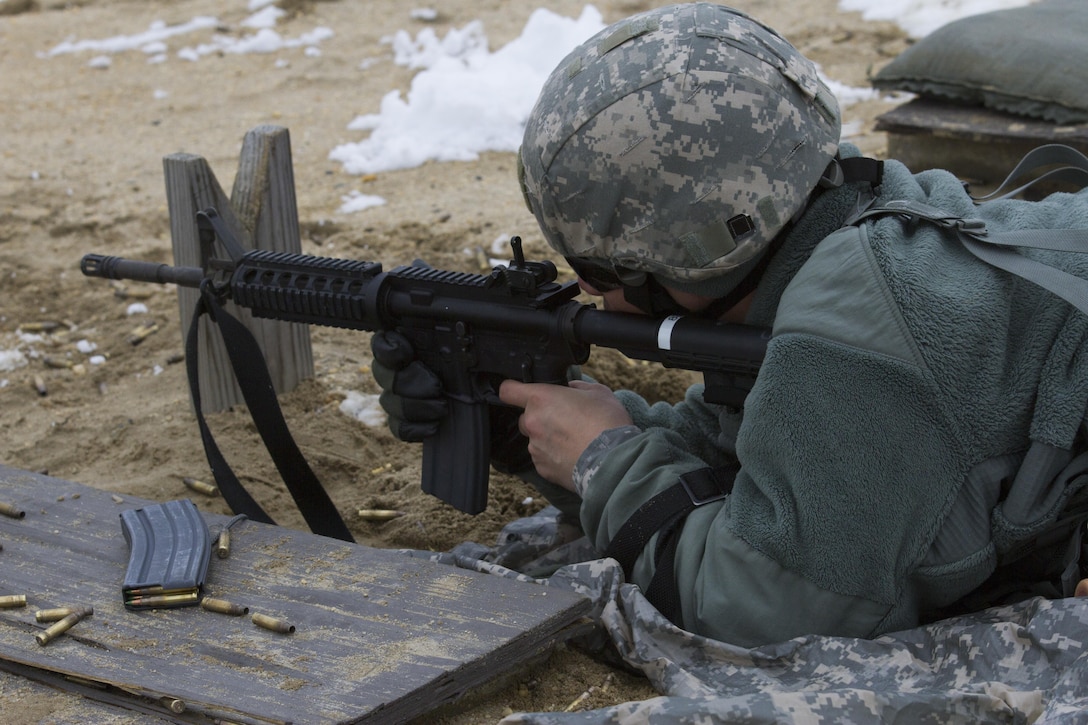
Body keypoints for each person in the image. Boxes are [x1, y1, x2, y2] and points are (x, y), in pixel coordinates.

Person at [372, 3, 1088, 647]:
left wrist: (605, 460)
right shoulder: (833, 230)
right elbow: (745, 464)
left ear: (683, 257)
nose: (581, 291)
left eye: (591, 268)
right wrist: (526, 425)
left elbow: (763, 611)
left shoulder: (858, 327)